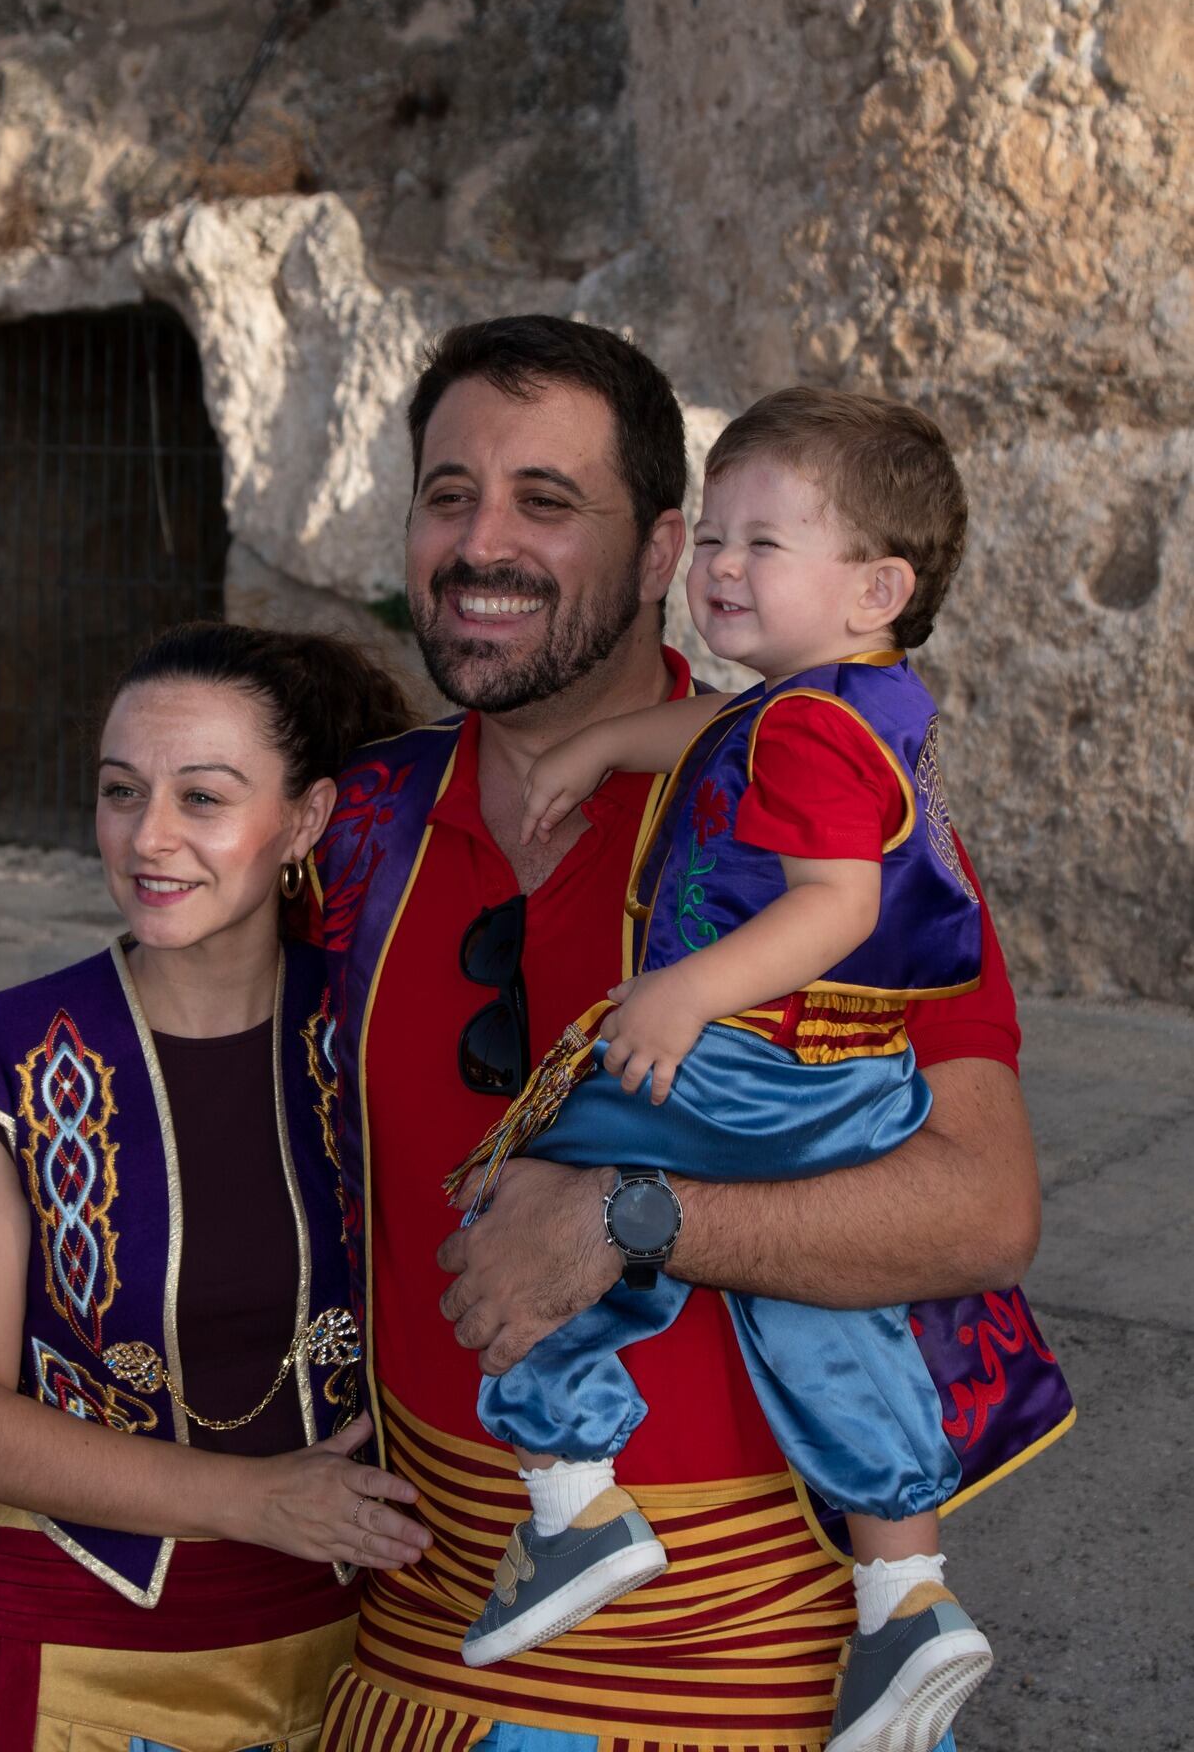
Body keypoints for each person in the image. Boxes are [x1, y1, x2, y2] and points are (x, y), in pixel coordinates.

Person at [312, 317, 1069, 1752]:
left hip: (741, 1699)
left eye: (547, 502)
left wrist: (629, 1217)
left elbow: (982, 1214)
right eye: (446, 495)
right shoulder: (344, 829)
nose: (482, 544)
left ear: (666, 552)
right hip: (403, 1678)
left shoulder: (836, 850)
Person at [0, 622, 432, 1752]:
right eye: (120, 789)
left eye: (203, 797)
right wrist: (254, 1499)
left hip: (363, 1659)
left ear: (306, 818)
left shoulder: (383, 1031)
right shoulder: (2, 1063)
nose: (148, 836)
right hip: (79, 1668)